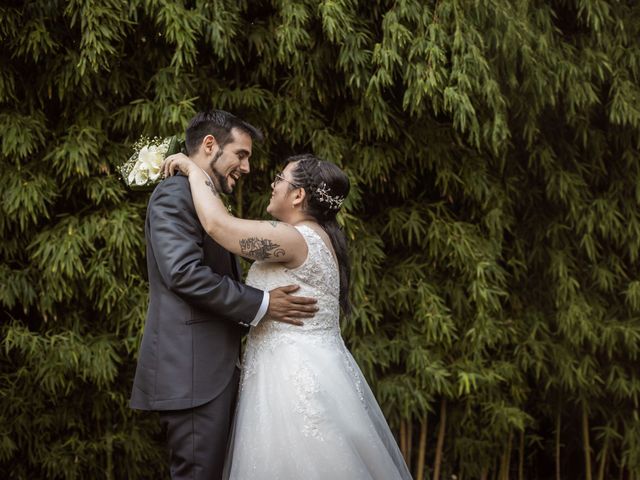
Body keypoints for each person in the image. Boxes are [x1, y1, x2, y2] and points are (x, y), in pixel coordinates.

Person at [163, 151, 412, 479]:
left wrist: (193, 170)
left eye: (280, 179)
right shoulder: (315, 238)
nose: (272, 183)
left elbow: (218, 226)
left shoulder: (295, 238)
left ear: (298, 195)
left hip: (291, 380)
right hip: (305, 369)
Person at [129, 110, 318, 480]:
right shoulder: (174, 194)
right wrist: (262, 303)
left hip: (211, 371)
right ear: (210, 145)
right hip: (193, 373)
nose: (247, 168)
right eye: (242, 154)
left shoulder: (202, 198)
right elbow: (184, 274)